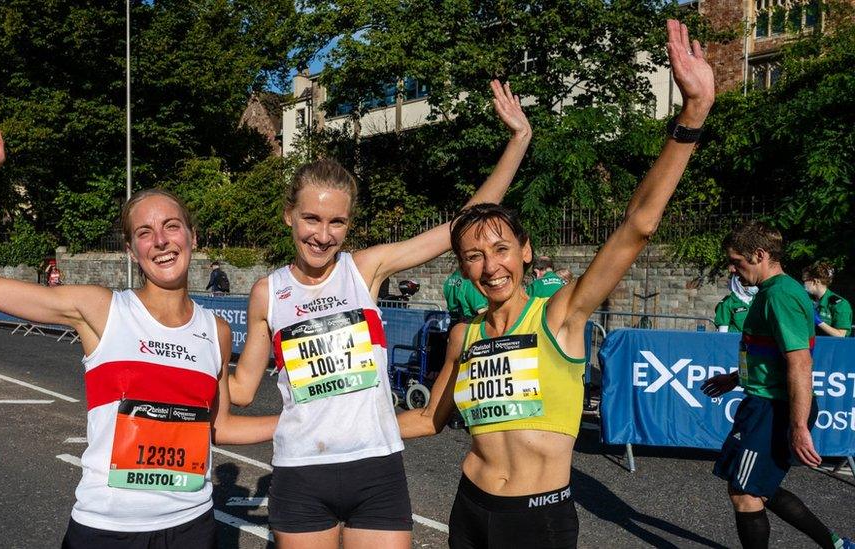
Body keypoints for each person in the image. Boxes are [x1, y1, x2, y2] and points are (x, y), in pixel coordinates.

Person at [397, 20, 716, 548]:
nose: (489, 266)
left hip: (538, 520)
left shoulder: (560, 315)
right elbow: (430, 419)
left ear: (525, 252)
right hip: (470, 509)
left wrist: (692, 115)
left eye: (500, 249)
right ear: (460, 267)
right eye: (473, 256)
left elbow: (638, 226)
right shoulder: (464, 335)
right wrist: (337, 422)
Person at [0, 108, 277, 548]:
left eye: (171, 226)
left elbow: (218, 426)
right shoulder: (100, 310)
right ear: (131, 250)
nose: (160, 240)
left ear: (193, 238)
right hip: (108, 529)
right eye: (145, 232)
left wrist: (303, 418)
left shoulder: (215, 330)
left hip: (193, 528)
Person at [227, 79, 532, 549]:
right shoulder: (269, 293)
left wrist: (517, 142)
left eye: (337, 222)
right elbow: (242, 389)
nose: (323, 235)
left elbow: (460, 225)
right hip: (301, 471)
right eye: (311, 218)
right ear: (290, 215)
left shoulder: (363, 269)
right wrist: (180, 364)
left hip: (376, 467)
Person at [702, 222, 853, 549]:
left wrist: (798, 426)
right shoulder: (770, 292)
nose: (732, 268)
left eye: (736, 261)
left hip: (775, 409)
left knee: (745, 493)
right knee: (757, 489)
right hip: (761, 403)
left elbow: (800, 362)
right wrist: (734, 378)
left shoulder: (781, 295)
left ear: (760, 255)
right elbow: (767, 352)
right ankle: (836, 544)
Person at [802, 261, 852, 337]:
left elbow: (841, 335)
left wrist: (818, 321)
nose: (804, 284)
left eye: (805, 280)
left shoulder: (840, 304)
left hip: (831, 347)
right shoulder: (806, 300)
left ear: (815, 281)